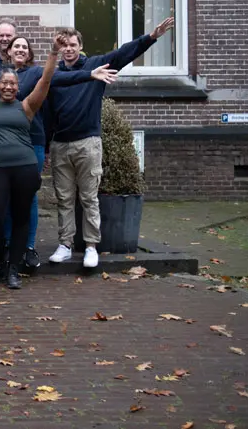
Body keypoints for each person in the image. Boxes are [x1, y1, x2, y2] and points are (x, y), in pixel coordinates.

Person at [47, 17, 174, 269]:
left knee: (89, 198)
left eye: (73, 44)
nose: (69, 49)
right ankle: (65, 245)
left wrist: (150, 38)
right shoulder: (55, 74)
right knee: (63, 198)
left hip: (87, 143)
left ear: (80, 46)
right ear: (59, 49)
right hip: (60, 144)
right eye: (65, 45)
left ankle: (91, 246)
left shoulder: (95, 65)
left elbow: (122, 54)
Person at [0, 35, 118, 269]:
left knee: (80, 197)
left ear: (29, 53)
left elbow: (60, 80)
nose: (20, 50)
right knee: (61, 197)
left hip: (35, 142)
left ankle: (86, 246)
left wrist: (90, 74)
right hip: (8, 145)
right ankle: (59, 244)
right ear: (7, 51)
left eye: (24, 46)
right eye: (15, 46)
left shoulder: (37, 73)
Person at [0, 34, 68, 290]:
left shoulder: (26, 107)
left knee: (21, 218)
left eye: (12, 84)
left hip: (25, 169)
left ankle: (13, 268)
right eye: (4, 83)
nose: (8, 87)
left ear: (18, 87)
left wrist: (53, 53)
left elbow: (45, 81)